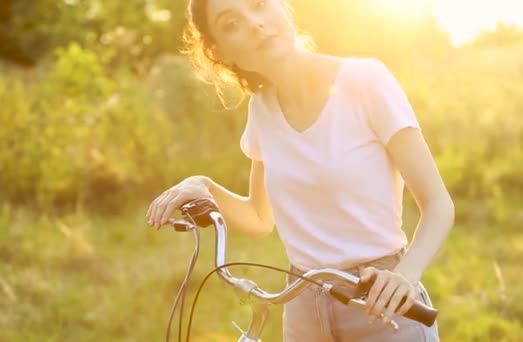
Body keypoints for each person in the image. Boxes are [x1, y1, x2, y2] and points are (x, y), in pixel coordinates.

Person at [146, 0, 454, 340]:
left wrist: (405, 276)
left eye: (259, 4)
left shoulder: (366, 81)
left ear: (283, 7)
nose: (254, 23)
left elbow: (438, 205)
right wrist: (203, 185)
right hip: (303, 307)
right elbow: (259, 218)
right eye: (231, 23)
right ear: (224, 53)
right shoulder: (262, 111)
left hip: (380, 302)